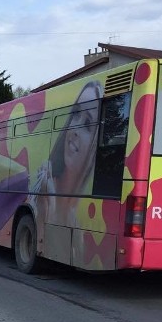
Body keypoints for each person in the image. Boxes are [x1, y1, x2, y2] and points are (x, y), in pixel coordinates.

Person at [33, 79, 103, 232]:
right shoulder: (42, 185)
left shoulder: (76, 225)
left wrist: (50, 216)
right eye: (76, 114)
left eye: (87, 124)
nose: (75, 128)